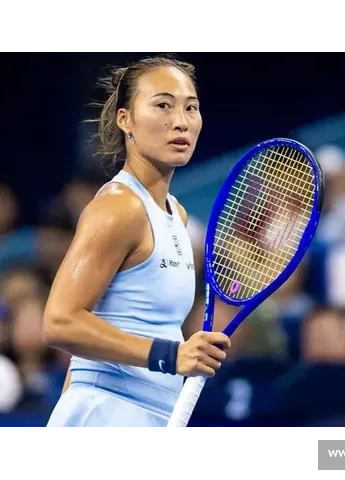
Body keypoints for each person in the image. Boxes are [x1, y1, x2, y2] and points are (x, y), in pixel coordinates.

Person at [43, 55, 231, 429]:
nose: (181, 121)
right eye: (163, 105)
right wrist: (171, 355)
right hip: (108, 414)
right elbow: (60, 322)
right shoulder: (119, 207)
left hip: (148, 417)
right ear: (125, 119)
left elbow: (94, 342)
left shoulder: (177, 214)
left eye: (190, 107)